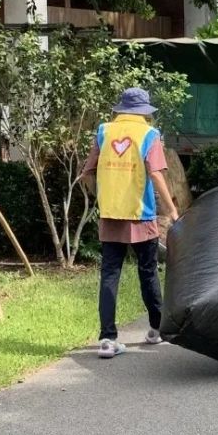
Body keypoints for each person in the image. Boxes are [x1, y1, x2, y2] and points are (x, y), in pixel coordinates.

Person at [82, 87, 179, 359]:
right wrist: (172, 210)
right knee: (147, 271)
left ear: (120, 109)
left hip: (110, 213)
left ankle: (107, 339)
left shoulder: (104, 131)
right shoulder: (150, 134)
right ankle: (156, 329)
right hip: (141, 213)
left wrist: (100, 195)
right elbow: (157, 176)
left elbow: (87, 171)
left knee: (110, 274)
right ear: (144, 112)